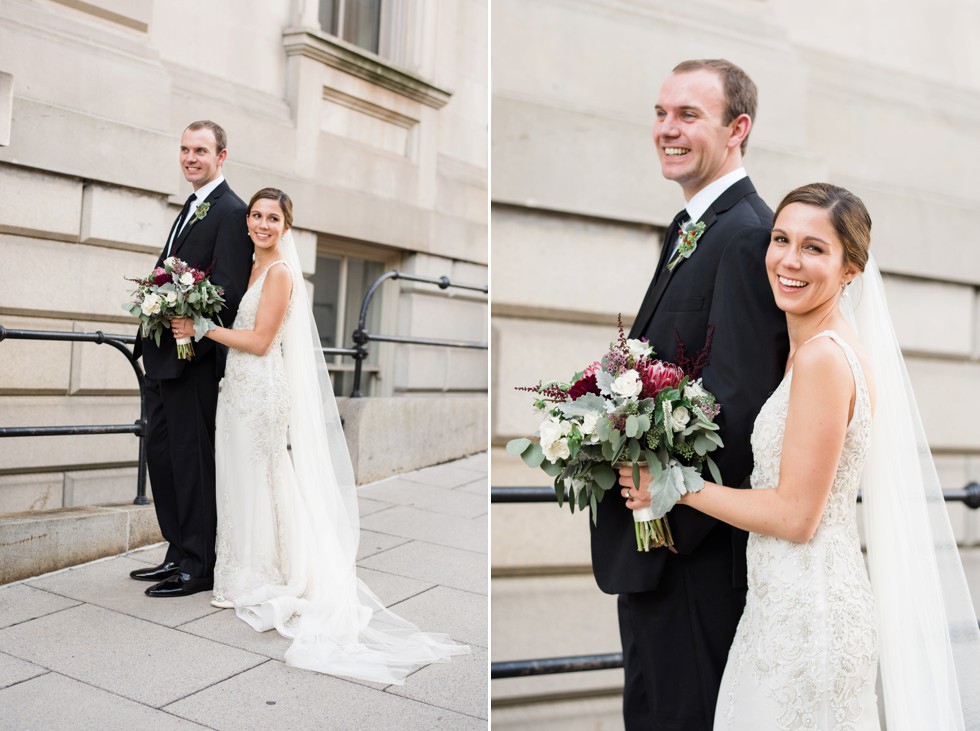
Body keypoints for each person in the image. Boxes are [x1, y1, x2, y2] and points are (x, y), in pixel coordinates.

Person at [621, 183, 980, 729]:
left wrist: (673, 483)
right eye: (781, 239)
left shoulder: (822, 360)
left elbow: (794, 516)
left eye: (815, 248)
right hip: (782, 607)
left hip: (808, 620)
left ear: (850, 269)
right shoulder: (813, 351)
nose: (789, 259)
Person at [171, 188, 470, 684]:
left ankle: (268, 574)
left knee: (262, 477)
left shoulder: (281, 273)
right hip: (237, 389)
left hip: (260, 392)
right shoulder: (247, 268)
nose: (263, 224)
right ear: (247, 221)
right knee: (241, 480)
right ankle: (245, 566)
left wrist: (203, 329)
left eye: (273, 218)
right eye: (257, 215)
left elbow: (262, 342)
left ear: (286, 227)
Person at [589, 59, 789, 729]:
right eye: (660, 112)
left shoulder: (746, 236)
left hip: (691, 557)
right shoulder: (693, 226)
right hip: (656, 549)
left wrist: (667, 506)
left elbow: (739, 399)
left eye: (687, 116)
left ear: (738, 129)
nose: (666, 130)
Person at [131, 120, 252, 598]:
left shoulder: (231, 211)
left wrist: (194, 334)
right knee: (161, 454)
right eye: (184, 149)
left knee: (191, 459)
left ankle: (200, 564)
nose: (189, 157)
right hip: (161, 356)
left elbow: (229, 290)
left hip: (194, 360)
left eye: (200, 150)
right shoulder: (191, 205)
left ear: (222, 156)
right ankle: (177, 550)